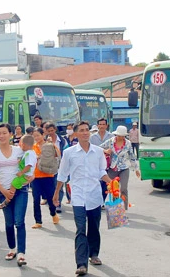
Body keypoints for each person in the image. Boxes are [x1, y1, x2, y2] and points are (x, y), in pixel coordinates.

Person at [53, 121, 112, 276]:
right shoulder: (69, 152)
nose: (85, 133)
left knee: (94, 227)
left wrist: (110, 182)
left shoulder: (98, 152)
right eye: (82, 131)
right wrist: (56, 194)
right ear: (76, 133)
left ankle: (94, 254)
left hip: (94, 196)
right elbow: (63, 174)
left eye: (87, 130)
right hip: (78, 196)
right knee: (80, 229)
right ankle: (81, 264)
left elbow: (101, 171)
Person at [0, 123, 30, 267]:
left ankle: (22, 254)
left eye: (4, 133)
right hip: (4, 191)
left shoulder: (19, 151)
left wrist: (28, 179)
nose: (1, 135)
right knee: (9, 223)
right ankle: (12, 249)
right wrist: (3, 191)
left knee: (19, 221)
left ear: (11, 134)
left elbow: (28, 167)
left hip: (20, 190)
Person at [99, 125, 141, 210]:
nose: (120, 137)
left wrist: (136, 169)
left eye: (122, 136)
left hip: (124, 168)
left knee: (123, 189)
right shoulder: (111, 141)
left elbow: (132, 157)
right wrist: (106, 151)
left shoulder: (128, 143)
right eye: (118, 135)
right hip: (113, 168)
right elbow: (98, 148)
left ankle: (124, 209)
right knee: (114, 189)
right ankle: (116, 210)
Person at [30, 127, 60, 228]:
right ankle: (38, 221)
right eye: (34, 136)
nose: (36, 138)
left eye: (38, 135)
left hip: (48, 175)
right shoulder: (32, 147)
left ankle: (53, 213)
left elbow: (58, 155)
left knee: (50, 197)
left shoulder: (49, 145)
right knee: (36, 199)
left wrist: (50, 149)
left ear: (43, 135)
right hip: (35, 176)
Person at [0, 135, 37, 208]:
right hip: (25, 175)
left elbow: (28, 165)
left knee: (14, 184)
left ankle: (8, 199)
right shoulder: (28, 152)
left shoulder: (29, 153)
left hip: (25, 176)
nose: (20, 145)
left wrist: (21, 172)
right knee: (14, 184)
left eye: (21, 143)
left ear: (24, 144)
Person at [90, 118, 114, 206]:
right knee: (97, 184)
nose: (102, 126)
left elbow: (113, 149)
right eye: (100, 124)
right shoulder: (92, 137)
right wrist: (104, 151)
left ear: (106, 126)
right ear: (97, 126)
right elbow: (91, 148)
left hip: (108, 163)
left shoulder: (111, 136)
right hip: (95, 163)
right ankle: (97, 201)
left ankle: (102, 201)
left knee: (105, 184)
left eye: (104, 124)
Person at [45, 121, 68, 212]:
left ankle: (58, 203)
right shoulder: (45, 140)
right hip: (48, 166)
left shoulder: (62, 140)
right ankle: (52, 201)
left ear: (55, 129)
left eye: (52, 130)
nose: (51, 132)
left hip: (60, 165)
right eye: (49, 131)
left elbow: (66, 152)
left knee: (59, 185)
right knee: (51, 186)